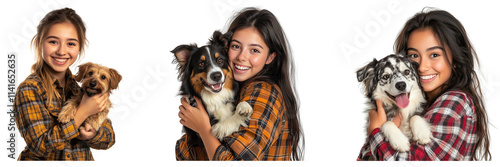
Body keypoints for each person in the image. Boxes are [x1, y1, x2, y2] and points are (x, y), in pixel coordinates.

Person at [358, 8, 491, 161]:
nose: (421, 67)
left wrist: (376, 132)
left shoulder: (455, 102)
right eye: (414, 56)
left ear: (455, 59)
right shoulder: (425, 104)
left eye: (434, 55)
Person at [175, 7, 304, 161]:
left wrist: (203, 130)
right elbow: (184, 153)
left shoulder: (263, 92)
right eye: (236, 46)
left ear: (270, 57)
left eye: (254, 50)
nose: (242, 57)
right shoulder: (238, 92)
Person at [13, 8, 115, 160]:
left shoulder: (80, 87)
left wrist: (93, 134)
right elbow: (39, 146)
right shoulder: (29, 89)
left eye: (71, 43)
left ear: (80, 47)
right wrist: (82, 114)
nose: (62, 51)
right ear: (40, 42)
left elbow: (109, 139)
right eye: (53, 41)